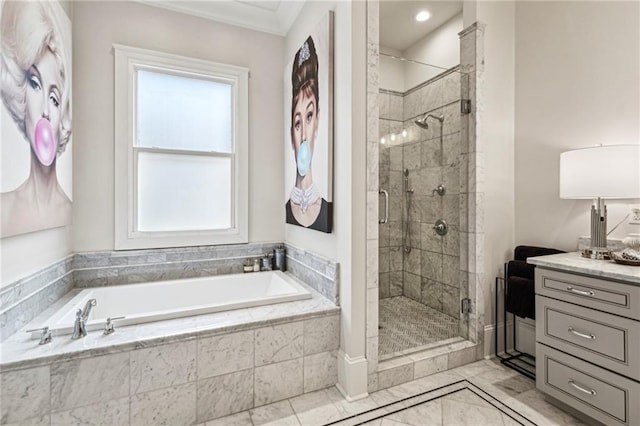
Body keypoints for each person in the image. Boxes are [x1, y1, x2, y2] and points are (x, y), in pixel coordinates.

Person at [1, 1, 72, 237]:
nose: (44, 110)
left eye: (53, 98)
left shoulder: (69, 211)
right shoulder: (4, 209)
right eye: (34, 84)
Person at [285, 36, 331, 232]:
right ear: (291, 135)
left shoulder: (327, 209)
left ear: (318, 121)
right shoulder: (287, 210)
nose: (303, 134)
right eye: (297, 123)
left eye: (309, 116)